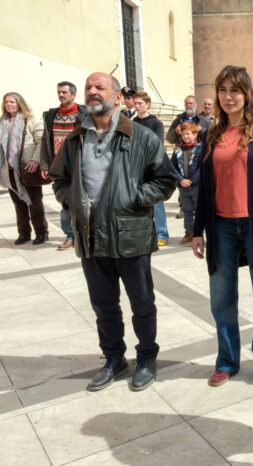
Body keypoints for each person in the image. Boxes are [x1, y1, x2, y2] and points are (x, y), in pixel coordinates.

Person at [49, 72, 177, 391]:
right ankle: (113, 359)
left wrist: (133, 197)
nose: (92, 92)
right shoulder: (76, 139)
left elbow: (165, 180)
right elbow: (59, 180)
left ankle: (147, 358)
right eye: (89, 87)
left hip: (130, 234)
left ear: (117, 97)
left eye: (99, 87)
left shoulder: (142, 136)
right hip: (90, 236)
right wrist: (72, 201)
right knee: (103, 306)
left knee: (142, 304)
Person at [191, 65, 253, 390]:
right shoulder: (211, 135)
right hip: (221, 227)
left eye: (235, 90)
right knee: (221, 298)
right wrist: (196, 230)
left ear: (247, 95)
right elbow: (204, 187)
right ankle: (227, 361)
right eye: (223, 90)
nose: (229, 97)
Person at [39, 81, 88, 250]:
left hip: (80, 165)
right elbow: (45, 143)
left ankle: (87, 233)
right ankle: (70, 235)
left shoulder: (84, 114)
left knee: (85, 200)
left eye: (64, 92)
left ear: (73, 95)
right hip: (60, 167)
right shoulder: (51, 116)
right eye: (59, 92)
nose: (61, 95)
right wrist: (45, 165)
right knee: (65, 201)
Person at [0, 92, 47, 245]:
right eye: (6, 102)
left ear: (20, 103)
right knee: (18, 204)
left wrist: (35, 159)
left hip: (27, 169)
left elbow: (43, 141)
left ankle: (41, 233)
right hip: (9, 170)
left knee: (35, 203)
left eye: (12, 102)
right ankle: (24, 233)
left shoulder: (31, 120)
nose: (9, 105)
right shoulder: (2, 122)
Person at [132, 91, 170, 247]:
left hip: (152, 167)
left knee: (156, 202)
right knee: (138, 200)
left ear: (147, 104)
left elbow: (157, 146)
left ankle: (161, 233)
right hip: (136, 167)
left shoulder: (156, 123)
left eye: (140, 103)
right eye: (135, 103)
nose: (137, 106)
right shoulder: (133, 122)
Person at [170, 123, 203, 245]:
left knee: (198, 210)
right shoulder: (178, 149)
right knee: (187, 209)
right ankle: (189, 232)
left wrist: (192, 180)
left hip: (197, 186)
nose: (185, 136)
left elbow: (202, 167)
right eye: (183, 134)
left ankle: (199, 233)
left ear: (195, 134)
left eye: (188, 134)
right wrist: (180, 180)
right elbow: (172, 167)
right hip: (183, 186)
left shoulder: (201, 149)